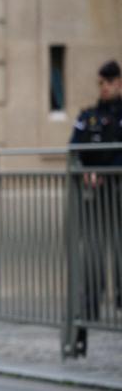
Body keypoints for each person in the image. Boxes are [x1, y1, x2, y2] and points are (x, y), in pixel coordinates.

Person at [68, 59, 122, 355]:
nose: (104, 88)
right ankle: (83, 330)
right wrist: (87, 171)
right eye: (100, 83)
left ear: (119, 83)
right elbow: (74, 148)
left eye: (109, 82)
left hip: (118, 198)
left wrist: (108, 170)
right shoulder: (88, 117)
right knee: (91, 262)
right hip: (94, 202)